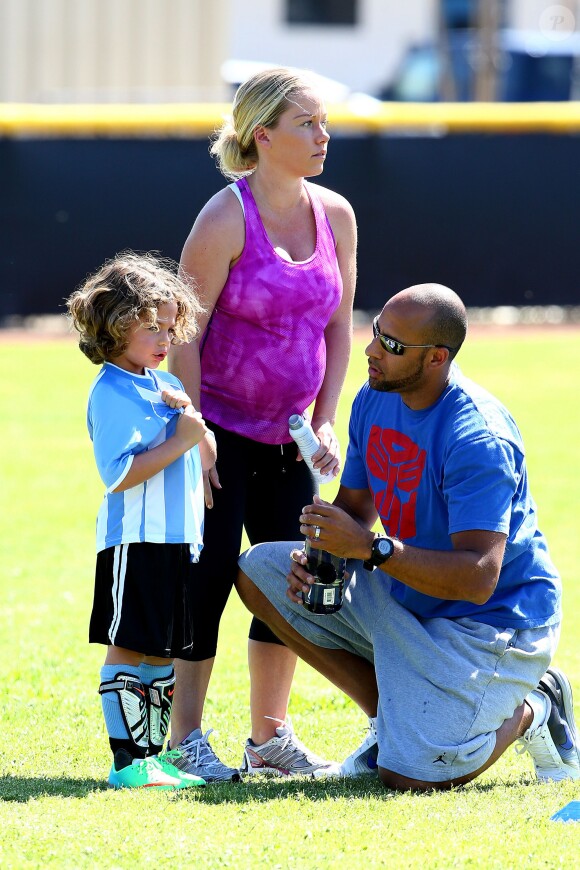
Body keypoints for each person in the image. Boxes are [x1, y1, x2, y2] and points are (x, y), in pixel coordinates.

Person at [236, 283, 580, 790]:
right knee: (259, 573)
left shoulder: (478, 437)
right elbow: (356, 509)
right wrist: (318, 557)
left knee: (409, 776)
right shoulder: (375, 397)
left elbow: (478, 578)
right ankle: (389, 723)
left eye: (392, 345)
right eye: (377, 332)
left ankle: (536, 705)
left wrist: (369, 548)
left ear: (437, 357)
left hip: (491, 622)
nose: (372, 350)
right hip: (411, 594)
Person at [168, 66, 357, 780]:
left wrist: (326, 419)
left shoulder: (337, 214)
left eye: (323, 121)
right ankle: (184, 739)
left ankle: (268, 740)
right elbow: (184, 333)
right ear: (263, 134)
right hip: (218, 434)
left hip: (292, 443)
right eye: (306, 123)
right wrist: (194, 431)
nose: (322, 135)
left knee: (288, 583)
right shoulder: (224, 217)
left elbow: (339, 326)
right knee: (208, 576)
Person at [66, 251, 210, 790]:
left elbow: (196, 442)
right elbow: (119, 474)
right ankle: (127, 763)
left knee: (162, 649)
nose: (165, 339)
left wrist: (197, 434)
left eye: (170, 328)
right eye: (152, 327)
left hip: (177, 540)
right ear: (115, 324)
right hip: (138, 540)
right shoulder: (111, 390)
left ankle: (152, 759)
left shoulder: (157, 384)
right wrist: (183, 439)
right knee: (129, 642)